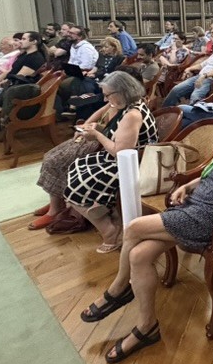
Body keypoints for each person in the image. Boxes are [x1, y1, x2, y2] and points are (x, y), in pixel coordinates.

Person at [78, 103, 213, 364]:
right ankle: (147, 327)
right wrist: (188, 186)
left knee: (134, 228)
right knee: (139, 256)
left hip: (209, 219)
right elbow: (210, 174)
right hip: (193, 207)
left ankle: (118, 288)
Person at [64, 71, 158, 253]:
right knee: (77, 166)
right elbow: (119, 136)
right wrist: (98, 129)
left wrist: (96, 134)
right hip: (127, 159)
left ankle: (109, 231)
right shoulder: (131, 105)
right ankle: (104, 211)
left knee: (77, 185)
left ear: (122, 92)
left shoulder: (132, 114)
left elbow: (119, 152)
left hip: (134, 165)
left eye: (108, 95)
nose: (106, 99)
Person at [162, 37, 213, 106]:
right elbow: (201, 65)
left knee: (195, 97)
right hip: (198, 77)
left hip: (209, 80)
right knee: (176, 90)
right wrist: (189, 69)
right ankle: (165, 110)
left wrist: (204, 76)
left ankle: (191, 113)